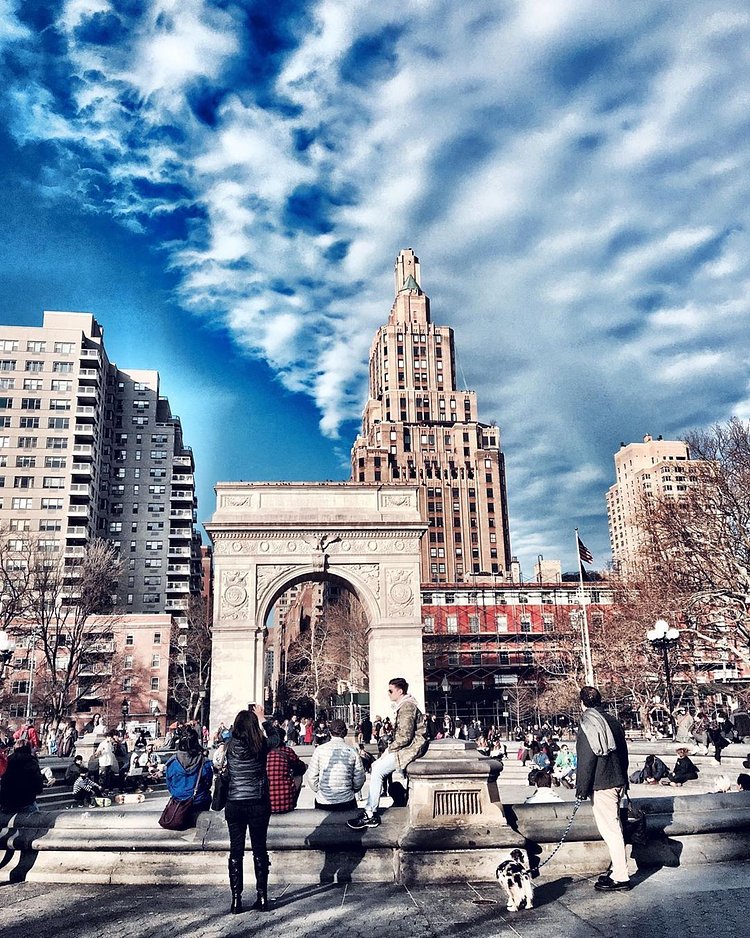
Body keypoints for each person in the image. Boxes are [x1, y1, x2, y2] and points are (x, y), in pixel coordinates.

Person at [348, 677, 428, 830]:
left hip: (410, 748)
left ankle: (370, 813)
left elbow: (404, 737)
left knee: (377, 770)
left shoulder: (407, 707)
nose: (388, 693)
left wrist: (389, 750)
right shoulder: (405, 705)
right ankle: (372, 810)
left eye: (391, 691)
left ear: (400, 691)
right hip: (408, 747)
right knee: (376, 767)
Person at [575, 685, 631, 892]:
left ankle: (620, 876)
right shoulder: (613, 720)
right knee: (615, 825)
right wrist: (624, 779)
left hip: (602, 783)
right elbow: (624, 753)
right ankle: (618, 869)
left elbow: (586, 760)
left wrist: (581, 789)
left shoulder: (588, 723)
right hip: (618, 780)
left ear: (582, 703)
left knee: (610, 829)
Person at [223, 704, 272, 915]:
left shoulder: (228, 746)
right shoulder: (260, 745)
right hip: (258, 802)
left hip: (235, 803)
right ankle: (262, 897)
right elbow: (277, 738)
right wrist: (263, 719)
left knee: (236, 851)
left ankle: (236, 900)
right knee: (260, 849)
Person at [306, 719, 366, 811]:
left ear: (330, 732)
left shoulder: (319, 750)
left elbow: (311, 777)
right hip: (346, 800)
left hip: (324, 801)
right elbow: (360, 778)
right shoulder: (352, 751)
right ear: (345, 733)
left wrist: (321, 790)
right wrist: (351, 789)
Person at [165, 729, 213, 818]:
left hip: (179, 801)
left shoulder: (172, 762)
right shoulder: (203, 762)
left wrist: (179, 793)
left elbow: (169, 783)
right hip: (199, 801)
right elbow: (208, 783)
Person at [265, 729, 306, 814]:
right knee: (298, 776)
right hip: (285, 802)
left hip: (266, 803)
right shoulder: (287, 751)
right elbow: (300, 768)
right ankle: (293, 801)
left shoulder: (263, 752)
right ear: (283, 738)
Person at [0, 741, 44, 813]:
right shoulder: (31, 761)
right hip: (26, 801)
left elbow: (3, 779)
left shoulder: (8, 760)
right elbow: (38, 783)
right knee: (35, 814)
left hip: (7, 801)